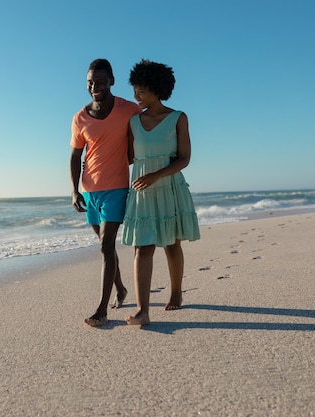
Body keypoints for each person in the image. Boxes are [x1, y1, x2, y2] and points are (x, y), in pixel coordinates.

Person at [122, 59, 201, 326]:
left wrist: (156, 175)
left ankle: (176, 291)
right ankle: (143, 310)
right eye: (134, 89)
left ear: (157, 89)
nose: (136, 95)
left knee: (171, 243)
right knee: (141, 247)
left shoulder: (178, 118)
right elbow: (129, 157)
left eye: (141, 90)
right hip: (141, 192)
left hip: (168, 186)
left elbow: (184, 159)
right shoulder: (133, 121)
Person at [70, 58, 141, 327]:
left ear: (111, 80)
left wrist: (133, 159)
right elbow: (75, 156)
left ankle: (101, 309)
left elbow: (143, 136)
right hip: (90, 191)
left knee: (105, 244)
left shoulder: (129, 110)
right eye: (90, 82)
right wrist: (74, 191)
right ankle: (121, 288)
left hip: (117, 188)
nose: (94, 86)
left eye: (99, 81)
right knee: (106, 247)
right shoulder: (80, 117)